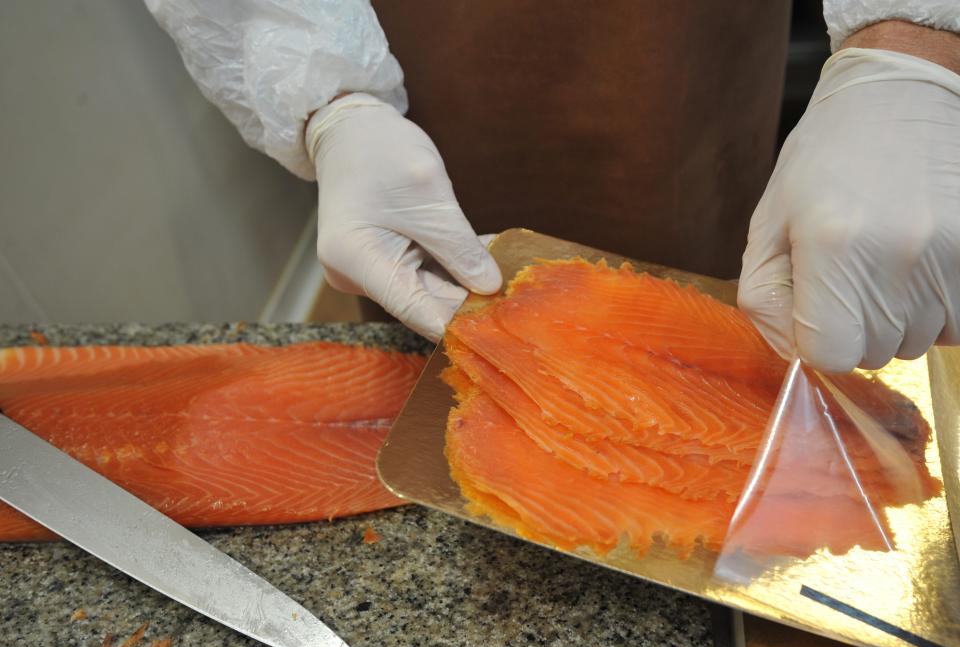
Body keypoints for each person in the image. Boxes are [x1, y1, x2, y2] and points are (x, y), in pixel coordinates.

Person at [146, 1, 959, 373]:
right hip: (425, 63)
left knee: (721, 338)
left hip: (688, 57)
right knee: (449, 367)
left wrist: (915, 44)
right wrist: (329, 100)